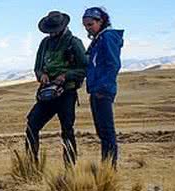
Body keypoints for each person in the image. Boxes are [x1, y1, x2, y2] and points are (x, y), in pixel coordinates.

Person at [25, 11, 87, 167]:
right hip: (47, 93)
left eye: (54, 30)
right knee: (32, 124)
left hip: (67, 93)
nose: (51, 33)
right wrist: (42, 75)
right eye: (49, 30)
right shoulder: (44, 43)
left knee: (67, 129)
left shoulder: (74, 43)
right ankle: (31, 166)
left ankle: (69, 167)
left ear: (63, 26)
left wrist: (66, 75)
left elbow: (85, 68)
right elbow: (37, 67)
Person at [83, 7, 124, 168]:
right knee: (102, 132)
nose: (88, 28)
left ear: (101, 21)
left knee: (107, 131)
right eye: (85, 25)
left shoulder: (107, 37)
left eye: (90, 24)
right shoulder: (99, 39)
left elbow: (113, 64)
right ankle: (107, 166)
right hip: (95, 89)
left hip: (102, 90)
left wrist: (102, 87)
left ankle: (109, 169)